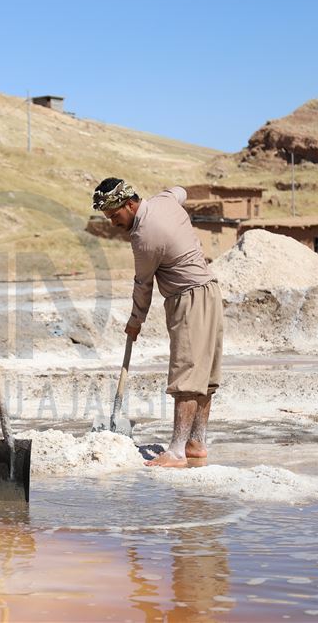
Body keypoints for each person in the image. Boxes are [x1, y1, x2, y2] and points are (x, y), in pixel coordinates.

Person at [93, 178, 223, 467]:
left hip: (187, 299)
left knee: (186, 376)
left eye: (115, 215)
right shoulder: (164, 200)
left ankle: (176, 451)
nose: (113, 223)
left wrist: (135, 321)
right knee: (204, 377)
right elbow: (182, 191)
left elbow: (143, 285)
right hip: (211, 292)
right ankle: (196, 443)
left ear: (130, 204)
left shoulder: (144, 237)